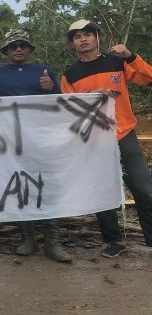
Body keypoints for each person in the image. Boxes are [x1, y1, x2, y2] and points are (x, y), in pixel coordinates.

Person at [60, 19, 152, 258]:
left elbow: (147, 77)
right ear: (72, 43)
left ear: (96, 37)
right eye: (77, 36)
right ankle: (112, 240)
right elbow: (69, 109)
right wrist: (91, 95)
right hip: (94, 138)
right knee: (103, 189)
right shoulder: (70, 74)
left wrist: (130, 56)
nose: (83, 39)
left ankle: (150, 240)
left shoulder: (116, 61)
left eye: (87, 34)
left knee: (144, 189)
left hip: (124, 133)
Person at [0, 30, 72, 262]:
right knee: (19, 186)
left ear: (30, 49)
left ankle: (53, 242)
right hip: (10, 143)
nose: (19, 49)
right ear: (6, 51)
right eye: (13, 46)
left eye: (23, 45)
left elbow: (58, 102)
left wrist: (50, 87)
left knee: (47, 186)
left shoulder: (42, 71)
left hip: (43, 141)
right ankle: (27, 238)